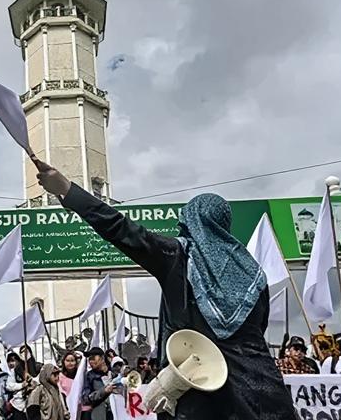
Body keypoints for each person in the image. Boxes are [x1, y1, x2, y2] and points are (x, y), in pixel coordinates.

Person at [35, 160, 296, 419]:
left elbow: (121, 229)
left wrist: (68, 191)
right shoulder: (252, 272)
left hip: (199, 395)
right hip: (263, 395)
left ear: (191, 221)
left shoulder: (179, 257)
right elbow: (258, 329)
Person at [81, 347, 113, 420]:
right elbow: (86, 398)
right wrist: (103, 391)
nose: (91, 362)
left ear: (102, 358)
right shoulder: (89, 376)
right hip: (99, 415)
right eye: (89, 359)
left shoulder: (113, 373)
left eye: (93, 358)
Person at [6, 353, 35, 420]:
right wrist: (21, 385)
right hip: (18, 405)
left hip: (31, 403)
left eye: (13, 360)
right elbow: (9, 386)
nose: (11, 363)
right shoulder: (13, 372)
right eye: (9, 361)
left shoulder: (31, 369)